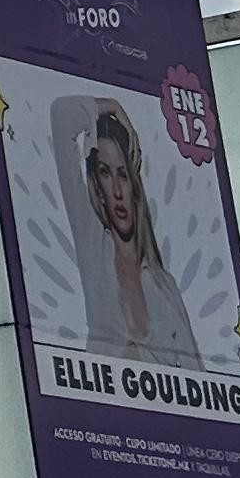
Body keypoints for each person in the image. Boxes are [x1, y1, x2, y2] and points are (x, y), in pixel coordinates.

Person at [79, 100, 204, 363]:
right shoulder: (94, 259)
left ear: (134, 185)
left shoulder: (165, 286)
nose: (117, 190)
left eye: (123, 174)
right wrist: (114, 107)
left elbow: (197, 374)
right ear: (98, 189)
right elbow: (61, 116)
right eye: (105, 173)